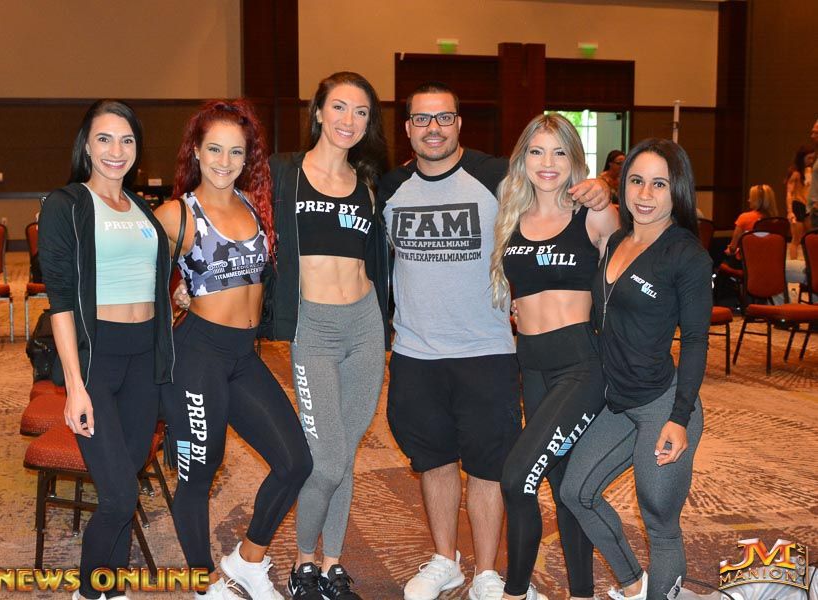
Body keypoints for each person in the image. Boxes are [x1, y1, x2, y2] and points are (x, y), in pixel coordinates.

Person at [377, 82, 609, 600]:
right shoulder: (391, 188)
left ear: (459, 123)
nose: (433, 128)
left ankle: (485, 571)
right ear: (407, 128)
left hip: (487, 350)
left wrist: (597, 189)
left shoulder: (496, 177)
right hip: (415, 352)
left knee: (489, 465)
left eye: (444, 117)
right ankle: (445, 560)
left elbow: (553, 182)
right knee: (433, 460)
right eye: (422, 119)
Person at [156, 99, 313, 600]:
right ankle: (203, 585)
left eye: (236, 152)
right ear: (196, 152)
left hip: (244, 356)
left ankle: (247, 560)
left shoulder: (252, 205)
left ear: (248, 157)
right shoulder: (176, 215)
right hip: (197, 355)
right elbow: (142, 293)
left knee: (295, 462)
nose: (225, 162)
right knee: (199, 473)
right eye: (215, 150)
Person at [561, 138, 712, 600]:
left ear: (677, 190)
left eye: (659, 184)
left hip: (662, 406)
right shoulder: (618, 241)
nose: (645, 195)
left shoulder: (685, 254)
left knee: (659, 519)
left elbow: (696, 341)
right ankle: (634, 586)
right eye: (637, 181)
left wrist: (679, 417)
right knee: (576, 493)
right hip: (617, 402)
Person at [37, 100, 175, 600]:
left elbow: (151, 278)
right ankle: (90, 591)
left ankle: (111, 591)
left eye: (127, 140)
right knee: (119, 496)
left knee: (126, 479)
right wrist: (74, 386)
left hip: (144, 362)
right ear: (86, 146)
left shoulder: (142, 209)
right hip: (96, 361)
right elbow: (60, 302)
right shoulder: (67, 204)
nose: (117, 150)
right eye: (105, 139)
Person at [263, 72, 390, 600]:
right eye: (339, 107)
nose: (348, 120)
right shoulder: (282, 173)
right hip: (312, 328)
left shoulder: (369, 181)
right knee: (327, 458)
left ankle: (332, 565)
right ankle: (303, 563)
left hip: (364, 324)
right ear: (318, 112)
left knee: (346, 452)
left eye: (361, 112)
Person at [490, 114, 619, 600]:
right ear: (522, 159)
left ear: (574, 160)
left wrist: (605, 191)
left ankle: (514, 593)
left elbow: (633, 255)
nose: (548, 163)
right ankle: (582, 593)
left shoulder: (593, 215)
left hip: (580, 366)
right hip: (532, 367)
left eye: (559, 152)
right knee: (566, 486)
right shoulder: (511, 215)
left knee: (517, 478)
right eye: (537, 151)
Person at [724, 184, 777, 265]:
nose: (748, 200)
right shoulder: (776, 221)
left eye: (751, 198)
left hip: (747, 263)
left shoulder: (744, 217)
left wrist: (730, 249)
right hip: (769, 262)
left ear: (757, 200)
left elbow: (733, 248)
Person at [784, 144, 815, 259]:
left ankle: (810, 263)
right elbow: (789, 193)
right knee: (796, 240)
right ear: (802, 158)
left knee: (811, 237)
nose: (811, 161)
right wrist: (790, 211)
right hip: (797, 206)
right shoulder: (795, 173)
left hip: (808, 207)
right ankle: (793, 263)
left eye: (813, 158)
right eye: (809, 158)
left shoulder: (810, 171)